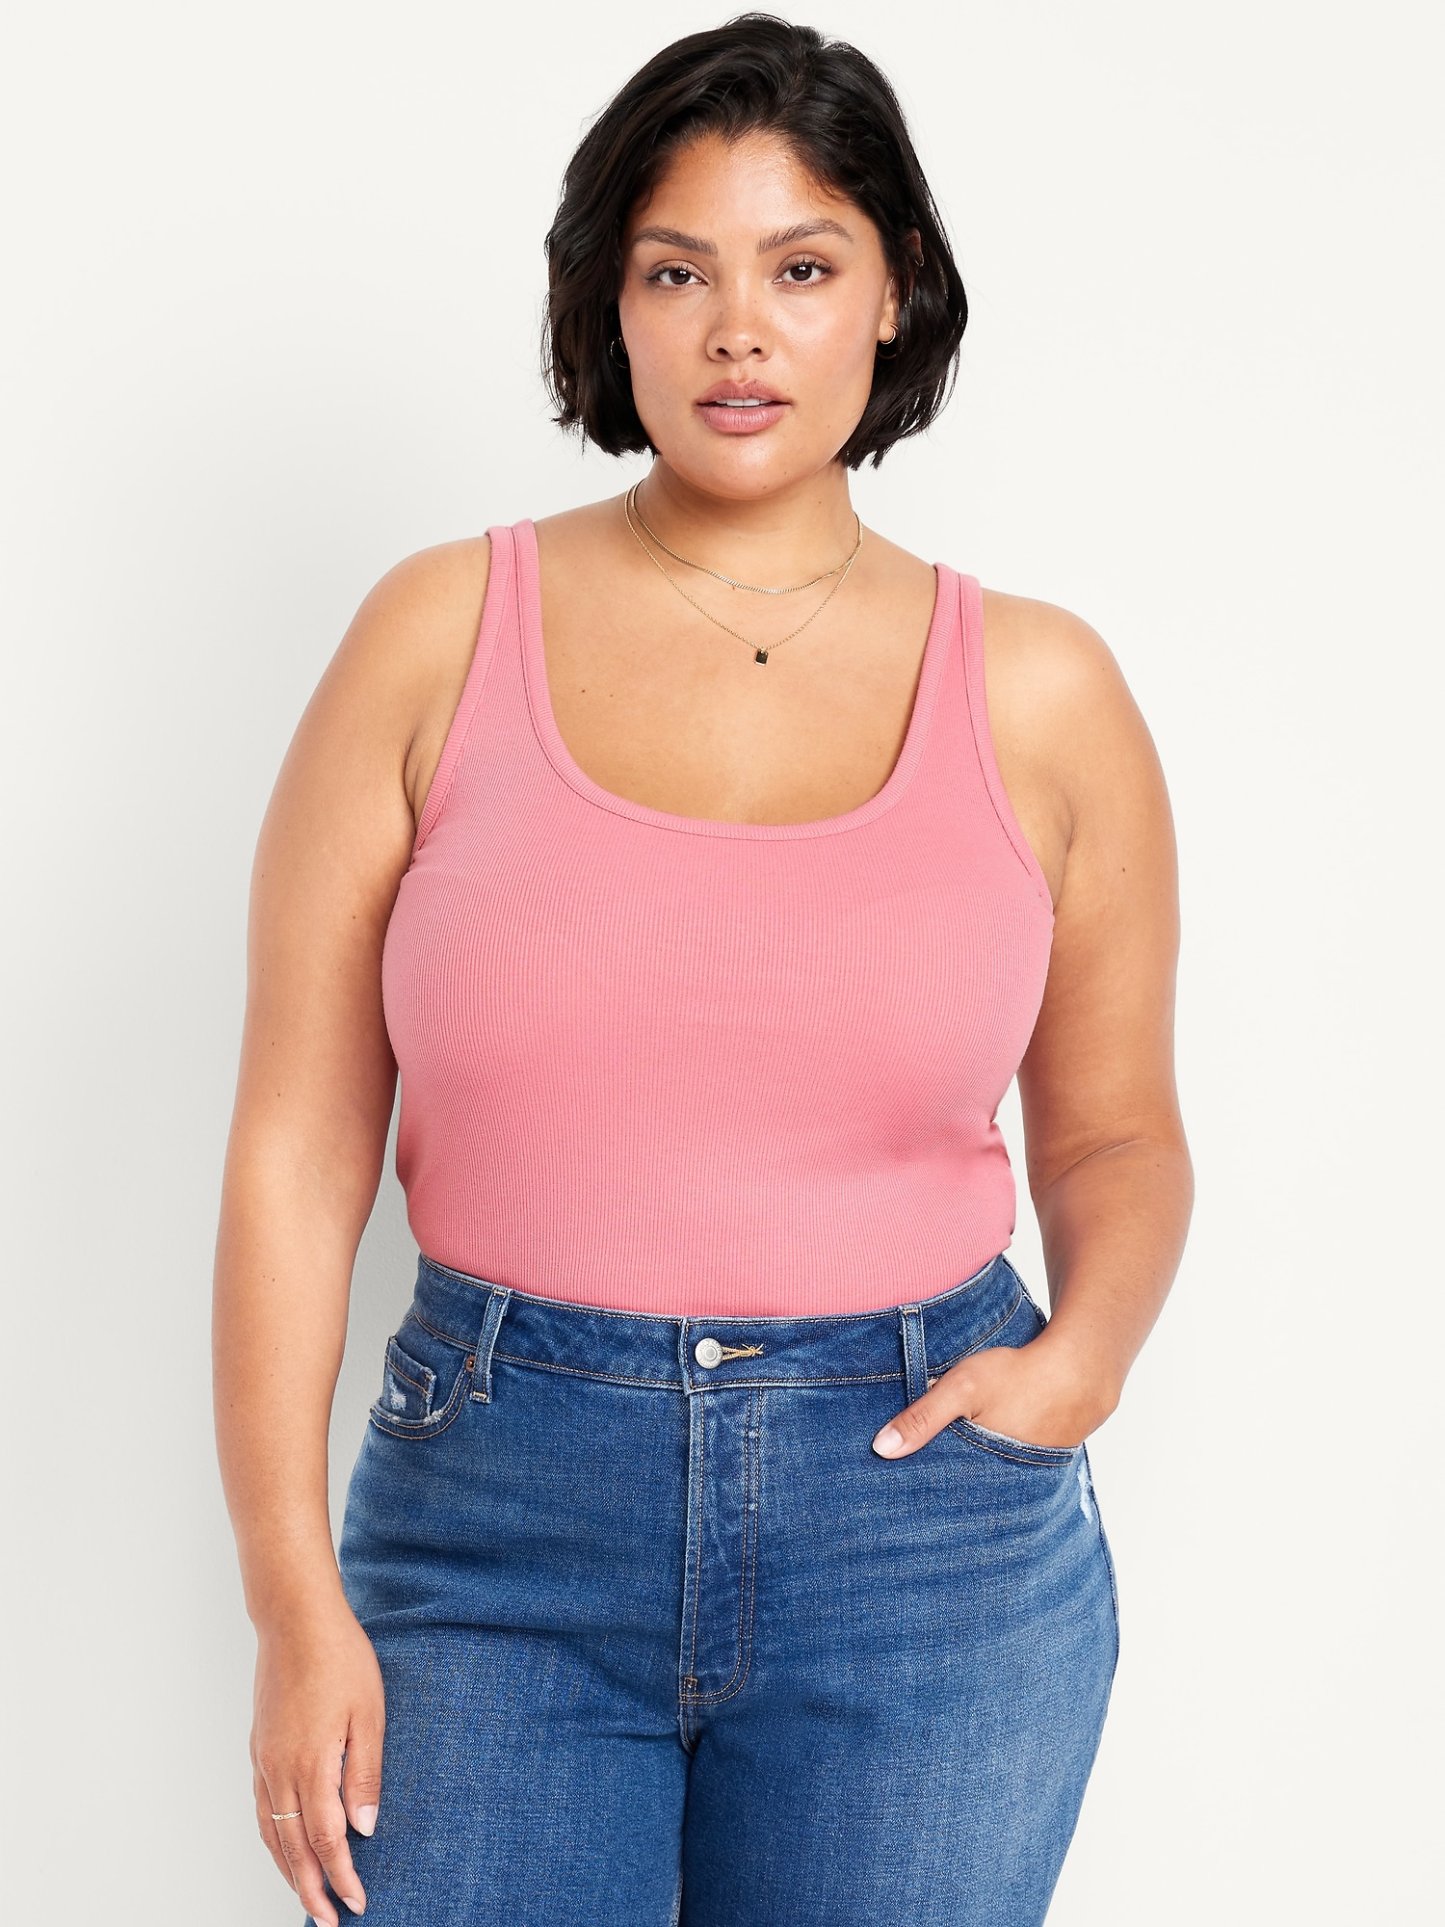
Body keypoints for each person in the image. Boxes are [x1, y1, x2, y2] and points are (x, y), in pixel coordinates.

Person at [213, 15, 1192, 1926]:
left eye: (801, 269)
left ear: (892, 294)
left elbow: (1116, 1136)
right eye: (678, 274)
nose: (738, 332)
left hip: (920, 1537)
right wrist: (288, 1600)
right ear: (610, 305)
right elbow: (296, 1152)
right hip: (496, 1527)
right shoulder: (435, 636)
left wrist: (1080, 1363)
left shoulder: (1042, 690)